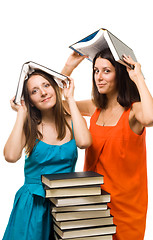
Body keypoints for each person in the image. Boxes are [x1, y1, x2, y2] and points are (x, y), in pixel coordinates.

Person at [61, 49, 153, 240]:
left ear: (120, 75)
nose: (99, 77)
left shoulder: (134, 111)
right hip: (92, 201)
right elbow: (55, 104)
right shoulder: (94, 107)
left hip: (126, 207)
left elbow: (152, 118)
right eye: (96, 71)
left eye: (106, 71)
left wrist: (138, 78)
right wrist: (68, 67)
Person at [3, 69, 92, 240]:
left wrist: (71, 98)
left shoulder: (72, 121)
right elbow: (11, 156)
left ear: (55, 88)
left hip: (64, 203)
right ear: (30, 101)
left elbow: (84, 142)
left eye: (46, 85)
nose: (43, 92)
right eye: (34, 91)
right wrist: (21, 113)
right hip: (33, 204)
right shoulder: (29, 125)